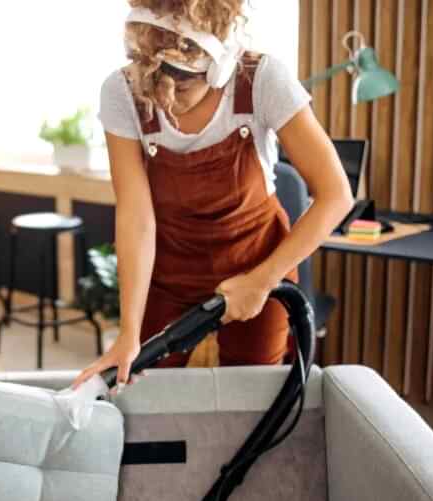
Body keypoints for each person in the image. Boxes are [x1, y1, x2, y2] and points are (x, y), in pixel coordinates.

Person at [73, 0, 353, 390]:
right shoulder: (121, 91)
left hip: (257, 261)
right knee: (142, 386)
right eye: (151, 84)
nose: (165, 100)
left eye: (182, 85)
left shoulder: (261, 80)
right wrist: (128, 333)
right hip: (169, 270)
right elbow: (136, 217)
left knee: (252, 395)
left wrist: (262, 280)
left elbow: (337, 195)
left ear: (218, 65)